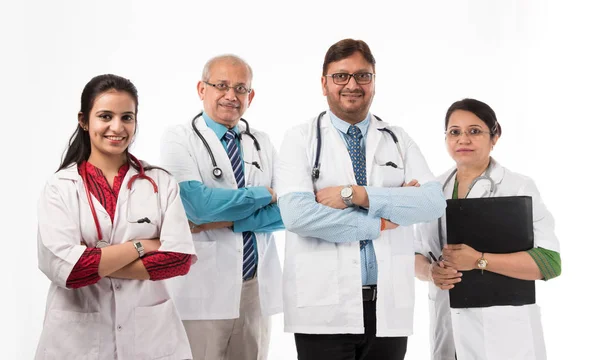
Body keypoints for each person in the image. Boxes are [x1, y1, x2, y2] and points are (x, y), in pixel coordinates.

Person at [275, 38, 447, 360]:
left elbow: (432, 203)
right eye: (341, 76)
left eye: (362, 76)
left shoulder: (397, 138)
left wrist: (357, 195)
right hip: (323, 310)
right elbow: (298, 216)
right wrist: (384, 218)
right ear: (324, 83)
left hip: (387, 308)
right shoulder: (299, 138)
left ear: (373, 82)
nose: (352, 85)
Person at [35, 74, 197, 359]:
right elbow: (69, 272)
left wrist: (94, 259)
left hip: (150, 338)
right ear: (84, 121)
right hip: (77, 341)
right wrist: (142, 246)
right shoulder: (60, 187)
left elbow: (177, 260)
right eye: (105, 116)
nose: (117, 127)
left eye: (127, 117)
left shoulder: (160, 182)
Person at [414, 98, 561, 360]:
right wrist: (430, 271)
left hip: (504, 336)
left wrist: (479, 260)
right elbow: (413, 254)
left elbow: (550, 263)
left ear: (495, 136)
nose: (463, 139)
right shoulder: (432, 190)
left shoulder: (518, 188)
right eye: (454, 132)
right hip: (449, 331)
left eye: (474, 131)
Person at [161, 54, 284, 360]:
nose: (231, 95)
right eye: (222, 85)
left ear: (250, 96)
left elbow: (290, 210)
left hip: (254, 288)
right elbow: (198, 207)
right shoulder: (179, 138)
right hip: (202, 287)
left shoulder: (262, 142)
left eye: (241, 88)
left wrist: (230, 220)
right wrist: (264, 194)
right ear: (202, 89)